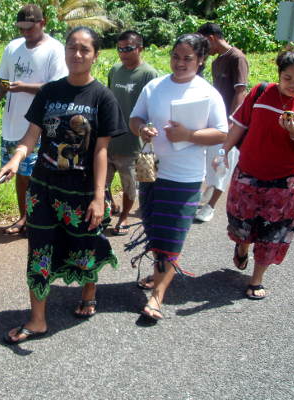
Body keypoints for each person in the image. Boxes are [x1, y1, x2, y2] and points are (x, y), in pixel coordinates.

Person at [0, 26, 126, 344]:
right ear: (65, 51)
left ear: (95, 55)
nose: (77, 54)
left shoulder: (102, 97)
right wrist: (16, 159)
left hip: (83, 192)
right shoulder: (49, 92)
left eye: (85, 49)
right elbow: (31, 137)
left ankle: (89, 289)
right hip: (43, 189)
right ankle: (38, 319)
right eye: (72, 48)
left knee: (86, 245)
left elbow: (101, 150)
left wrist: (99, 197)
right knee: (38, 251)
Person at [128, 34, 228, 322]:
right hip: (151, 172)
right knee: (153, 228)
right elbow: (135, 119)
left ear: (200, 61)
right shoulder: (155, 86)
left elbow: (221, 133)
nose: (180, 63)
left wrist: (189, 135)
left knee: (172, 237)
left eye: (188, 58)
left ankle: (157, 297)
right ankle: (160, 271)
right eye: (176, 56)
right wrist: (142, 129)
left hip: (184, 178)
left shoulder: (208, 93)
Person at [219, 50, 294, 300]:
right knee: (240, 221)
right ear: (279, 75)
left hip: (286, 180)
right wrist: (223, 150)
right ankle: (243, 245)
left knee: (274, 230)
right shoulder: (260, 93)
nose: (293, 85)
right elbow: (240, 124)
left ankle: (257, 279)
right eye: (288, 78)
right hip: (248, 173)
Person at [0, 4, 67, 236]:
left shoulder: (54, 49)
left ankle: (40, 217)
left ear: (43, 23)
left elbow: (57, 88)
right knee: (20, 174)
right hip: (13, 123)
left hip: (41, 125)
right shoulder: (13, 47)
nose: (25, 32)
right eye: (21, 28)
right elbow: (3, 78)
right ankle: (25, 216)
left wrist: (24, 87)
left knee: (36, 175)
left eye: (29, 28)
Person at [195, 22, 249, 222]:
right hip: (213, 122)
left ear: (211, 38)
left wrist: (232, 121)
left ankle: (210, 206)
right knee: (209, 162)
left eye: (203, 42)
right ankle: (205, 197)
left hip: (229, 124)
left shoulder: (237, 58)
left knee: (221, 164)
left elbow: (240, 91)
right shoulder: (216, 62)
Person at [106, 30, 158, 236]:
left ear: (140, 48)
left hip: (133, 143)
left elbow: (153, 109)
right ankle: (109, 206)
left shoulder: (149, 74)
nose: (123, 53)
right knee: (101, 181)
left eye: (128, 48)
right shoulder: (115, 70)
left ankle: (124, 217)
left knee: (130, 185)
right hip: (110, 139)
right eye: (119, 48)